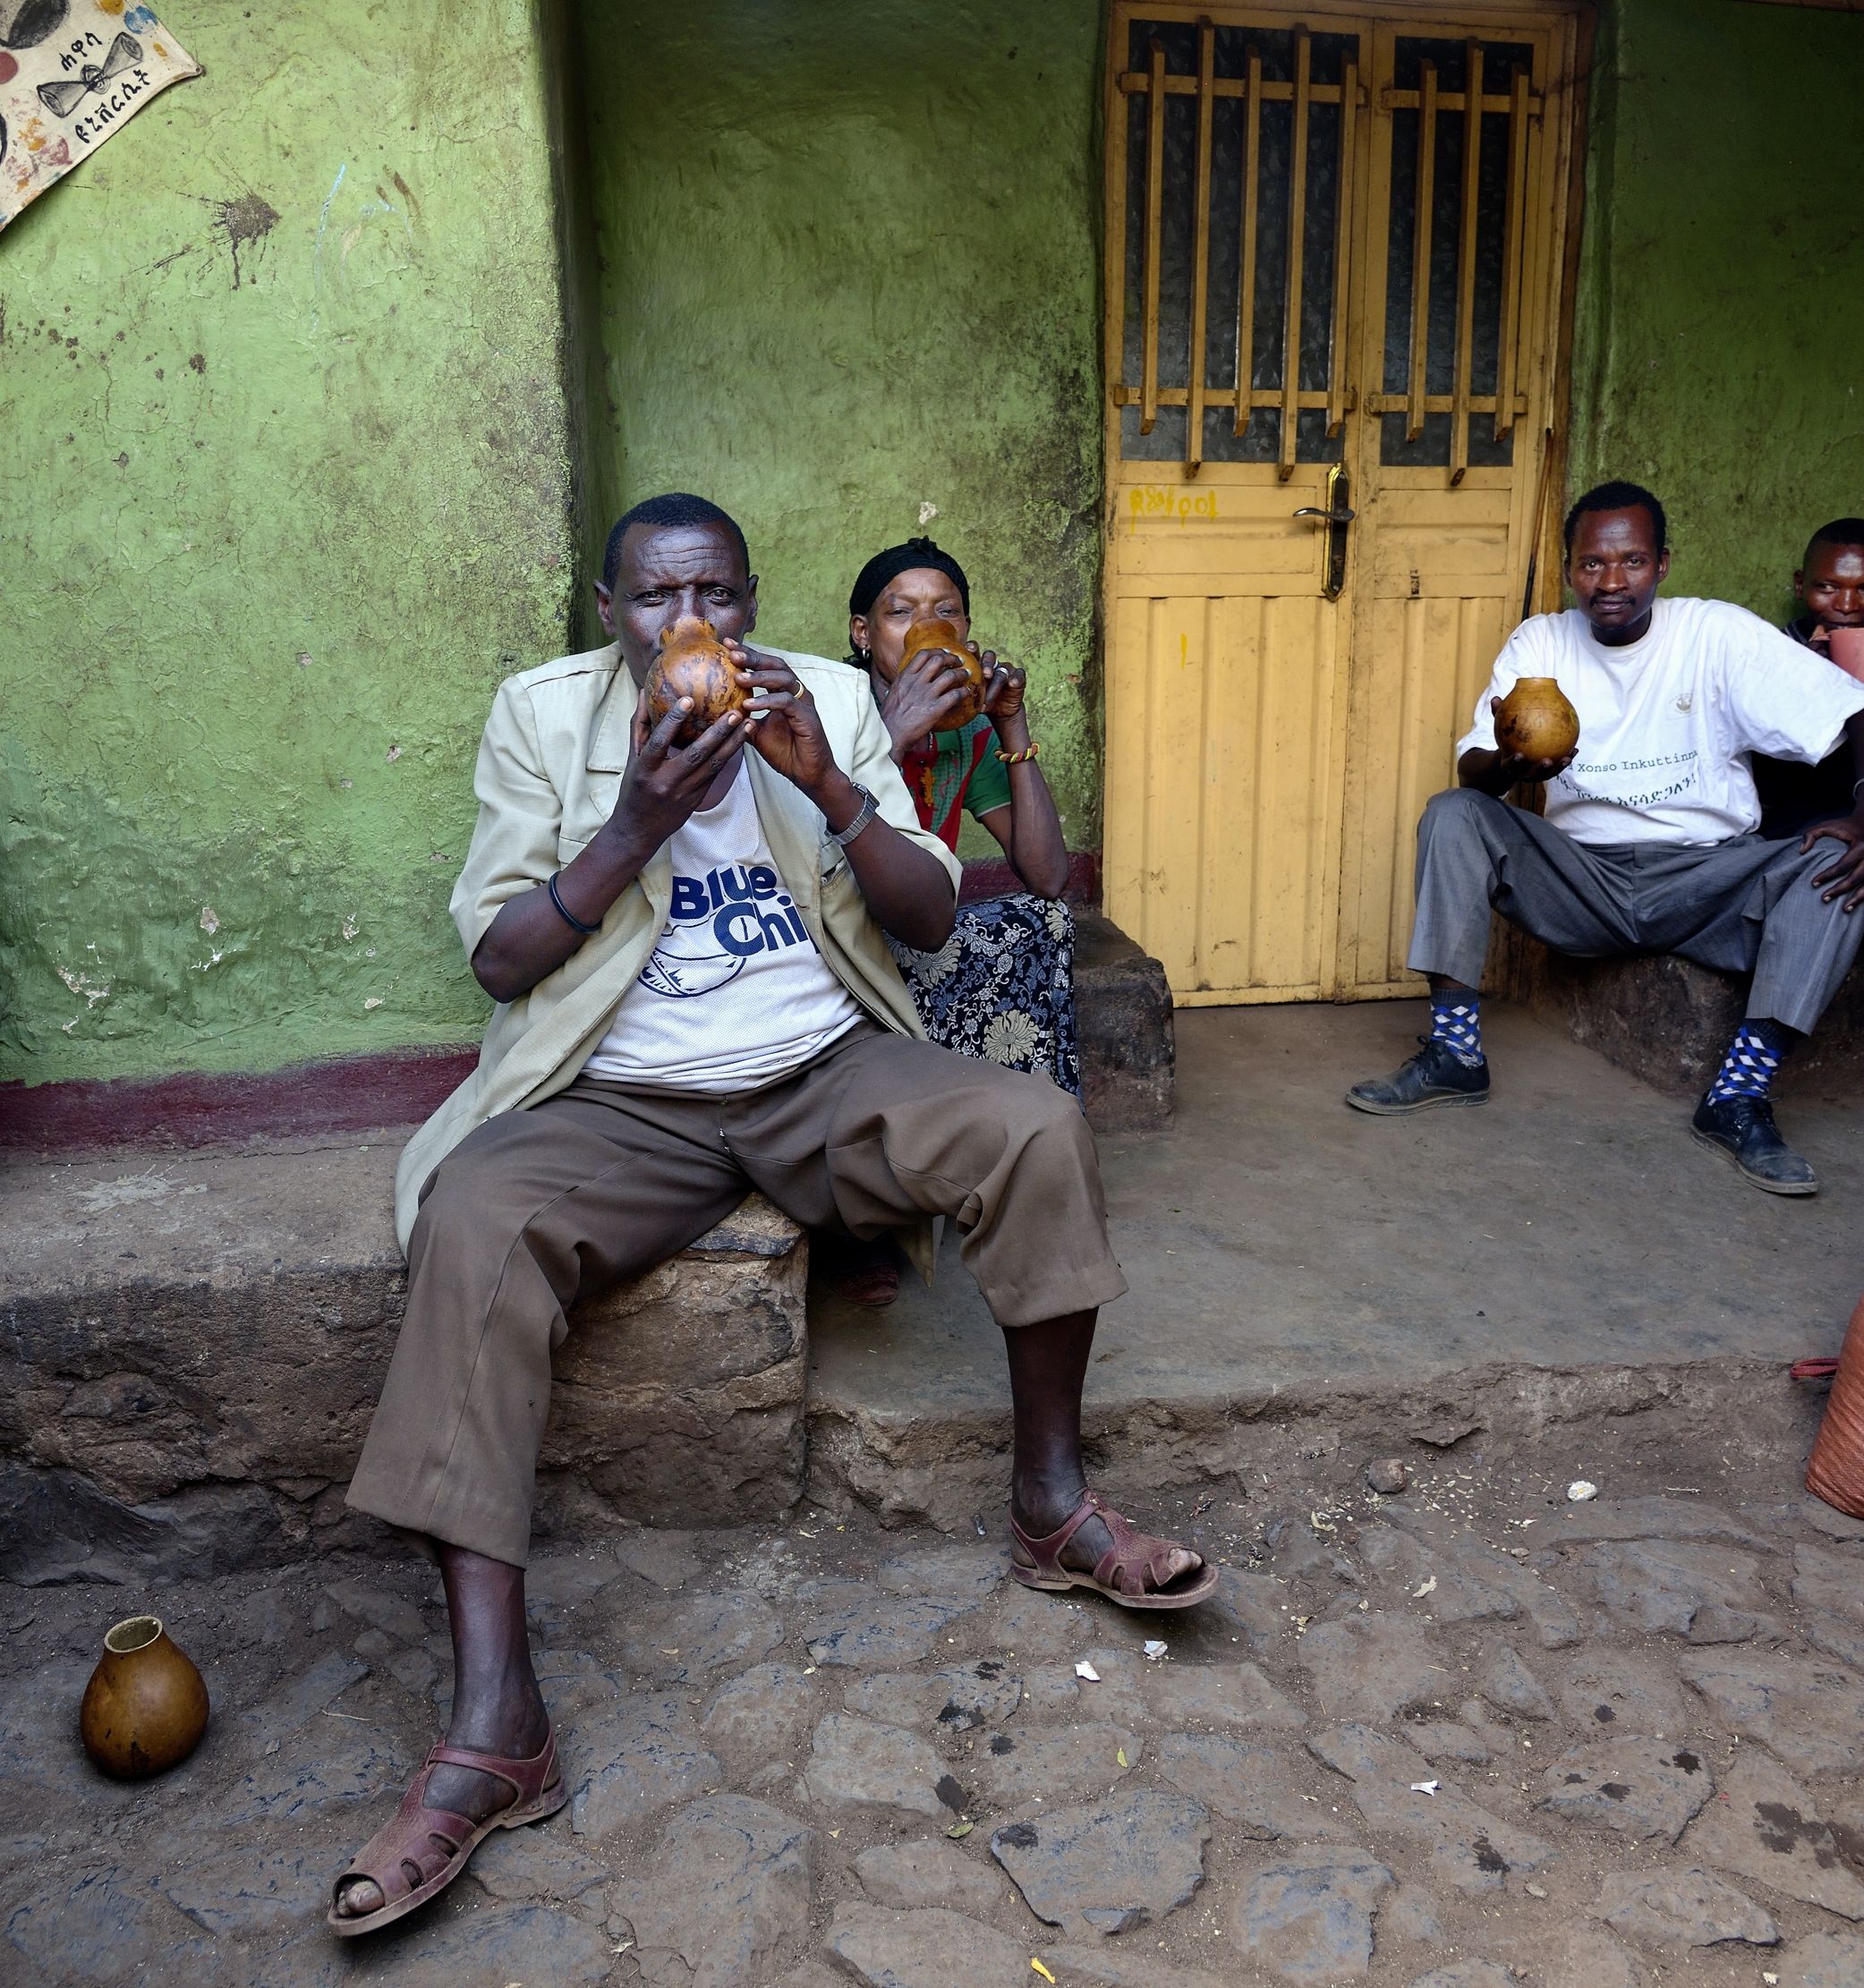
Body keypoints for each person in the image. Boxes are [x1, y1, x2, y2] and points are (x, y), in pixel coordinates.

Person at [328, 494, 1214, 1939]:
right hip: (620, 1101)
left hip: (821, 1074)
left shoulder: (829, 701)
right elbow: (501, 957)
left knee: (1034, 1125)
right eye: (654, 598)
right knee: (473, 1218)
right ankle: (497, 1725)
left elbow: (928, 918)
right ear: (607, 611)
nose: (691, 625)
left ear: (751, 601)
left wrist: (833, 788)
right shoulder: (543, 717)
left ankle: (1051, 1506)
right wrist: (635, 821)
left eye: (719, 596)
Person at [1346, 480, 1864, 1196]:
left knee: (1838, 858)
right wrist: (1511, 764)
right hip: (1580, 882)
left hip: (1708, 880)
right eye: (1591, 563)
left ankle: (1738, 1094)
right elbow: (1473, 774)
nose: (1611, 582)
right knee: (1453, 812)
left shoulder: (1715, 633)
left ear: (1662, 564)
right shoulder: (1540, 642)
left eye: (1632, 562)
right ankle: (1454, 1053)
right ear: (1568, 568)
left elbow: (1850, 710)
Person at [822, 537, 1077, 1304]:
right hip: (821, 927)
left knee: (1041, 925)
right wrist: (892, 731)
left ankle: (1022, 1162)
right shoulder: (827, 707)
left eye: (945, 613)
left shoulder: (966, 727)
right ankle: (857, 1226)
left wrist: (1009, 724)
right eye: (899, 613)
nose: (925, 628)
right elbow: (803, 851)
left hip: (913, 926)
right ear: (863, 633)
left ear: (966, 631)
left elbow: (1046, 875)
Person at [1754, 518, 1864, 837]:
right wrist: (1804, 686)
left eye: (1863, 589)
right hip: (1798, 822)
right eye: (1827, 587)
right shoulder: (1771, 653)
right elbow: (1765, 782)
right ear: (1801, 585)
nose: (1847, 606)